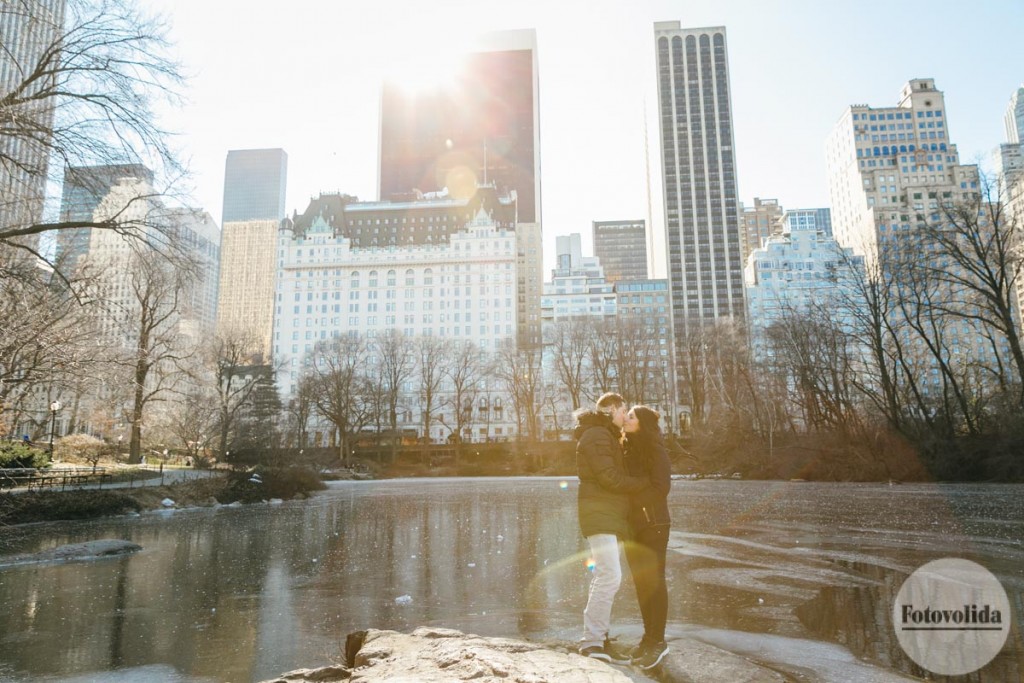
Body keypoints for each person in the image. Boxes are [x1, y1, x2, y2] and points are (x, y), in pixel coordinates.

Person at [574, 392, 648, 663]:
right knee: (609, 576)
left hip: (607, 514)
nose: (625, 415)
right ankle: (592, 642)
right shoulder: (597, 435)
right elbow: (609, 478)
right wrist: (643, 483)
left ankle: (598, 637)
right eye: (623, 410)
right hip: (600, 513)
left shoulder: (604, 434)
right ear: (612, 409)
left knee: (606, 575)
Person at [622, 405, 672, 670]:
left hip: (655, 524)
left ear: (642, 423)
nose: (626, 420)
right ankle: (648, 636)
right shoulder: (627, 448)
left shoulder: (655, 449)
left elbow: (662, 487)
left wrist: (635, 501)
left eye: (631, 416)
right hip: (632, 527)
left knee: (655, 580)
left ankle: (659, 640)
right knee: (641, 583)